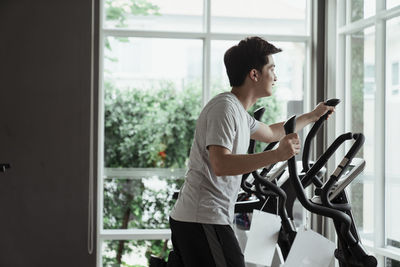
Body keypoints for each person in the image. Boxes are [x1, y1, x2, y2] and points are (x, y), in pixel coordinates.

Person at [168, 36, 335, 267]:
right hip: (203, 217)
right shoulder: (224, 108)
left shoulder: (238, 112)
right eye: (271, 69)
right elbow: (221, 164)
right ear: (254, 74)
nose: (276, 77)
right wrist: (277, 155)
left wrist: (313, 115)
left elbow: (272, 132)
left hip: (205, 217)